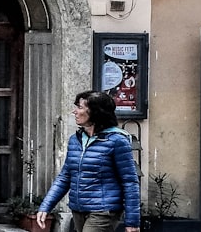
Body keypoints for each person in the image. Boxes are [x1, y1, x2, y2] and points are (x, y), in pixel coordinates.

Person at [37, 90, 140, 232]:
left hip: (103, 211)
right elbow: (65, 177)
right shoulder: (76, 140)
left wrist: (132, 222)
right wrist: (46, 206)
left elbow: (129, 181)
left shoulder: (117, 141)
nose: (74, 112)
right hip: (79, 209)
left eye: (79, 107)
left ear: (95, 112)